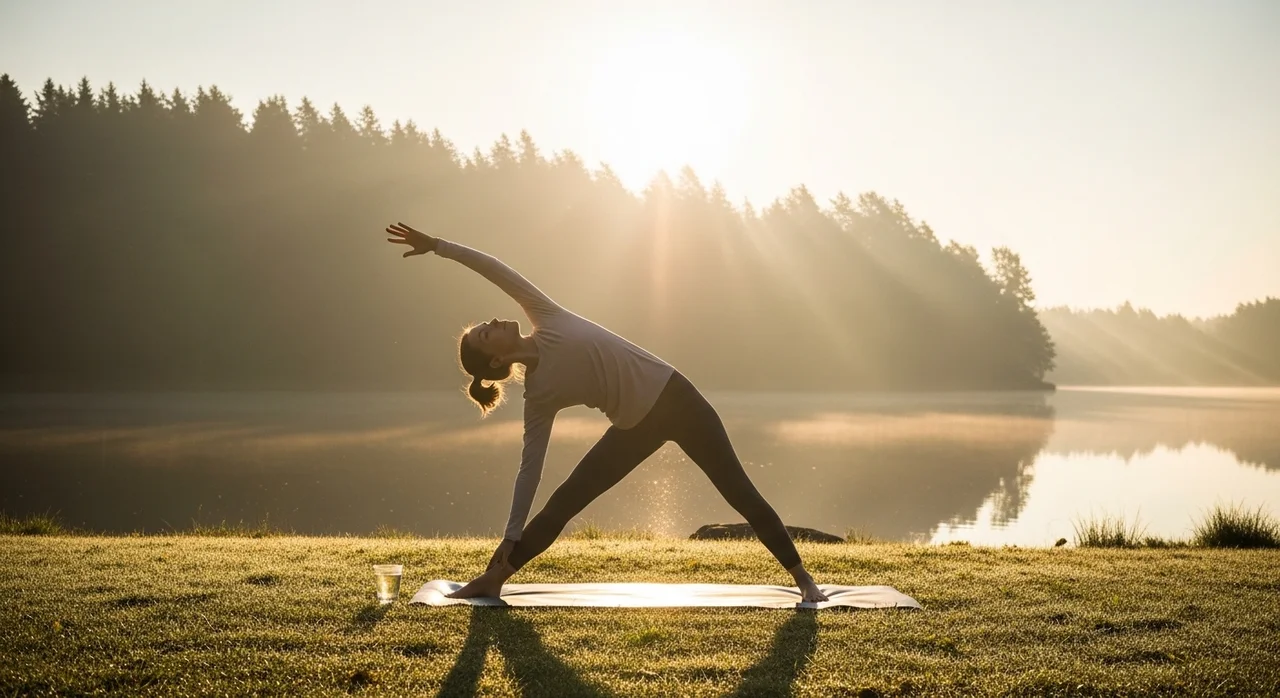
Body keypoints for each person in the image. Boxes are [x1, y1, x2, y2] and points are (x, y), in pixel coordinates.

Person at [384, 222, 828, 603]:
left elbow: (494, 269)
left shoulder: (546, 315)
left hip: (678, 399)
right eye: (486, 333)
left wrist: (438, 246)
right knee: (563, 502)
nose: (493, 322)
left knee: (738, 491)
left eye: (485, 324)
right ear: (497, 361)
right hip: (634, 427)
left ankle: (803, 580)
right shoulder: (539, 396)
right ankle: (494, 579)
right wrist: (511, 533)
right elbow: (529, 469)